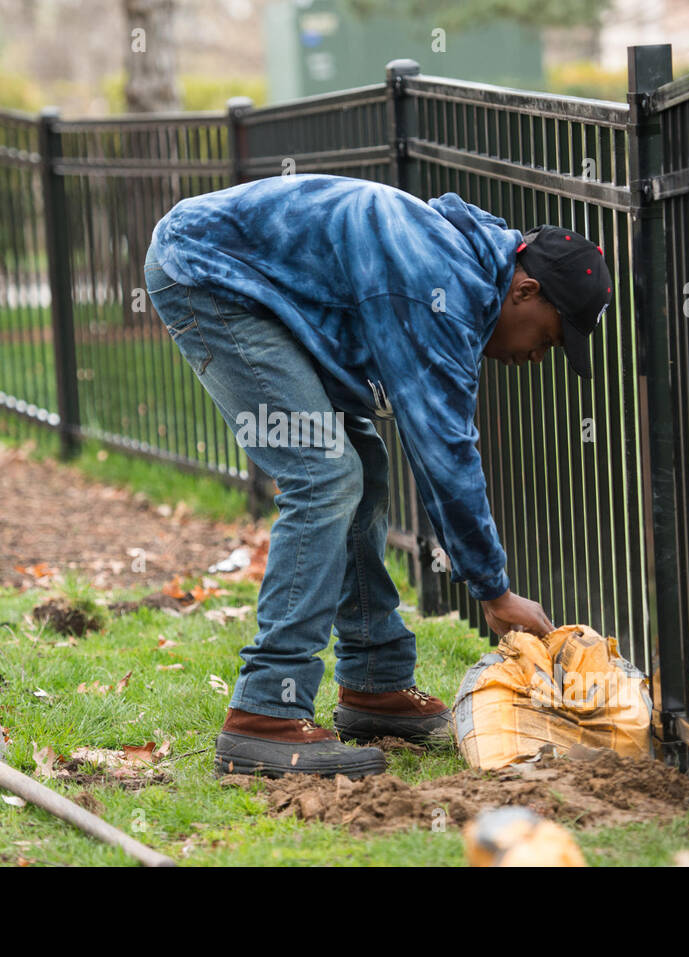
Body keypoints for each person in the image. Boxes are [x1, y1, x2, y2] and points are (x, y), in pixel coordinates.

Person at [144, 173, 612, 779]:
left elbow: (434, 444)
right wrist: (494, 592)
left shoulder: (466, 275)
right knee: (323, 472)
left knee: (359, 465)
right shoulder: (439, 285)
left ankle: (374, 684)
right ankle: (265, 713)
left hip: (261, 288)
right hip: (209, 273)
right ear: (524, 290)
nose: (537, 356)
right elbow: (445, 452)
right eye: (549, 337)